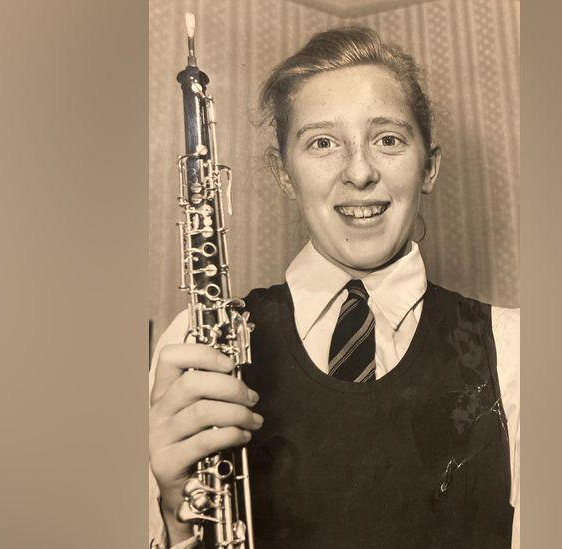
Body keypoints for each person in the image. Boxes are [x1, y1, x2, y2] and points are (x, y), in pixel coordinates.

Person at [149, 26, 519, 549]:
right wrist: (177, 518)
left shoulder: (514, 350)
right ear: (284, 174)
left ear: (428, 167)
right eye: (323, 143)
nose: (360, 171)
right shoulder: (195, 346)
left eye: (387, 139)